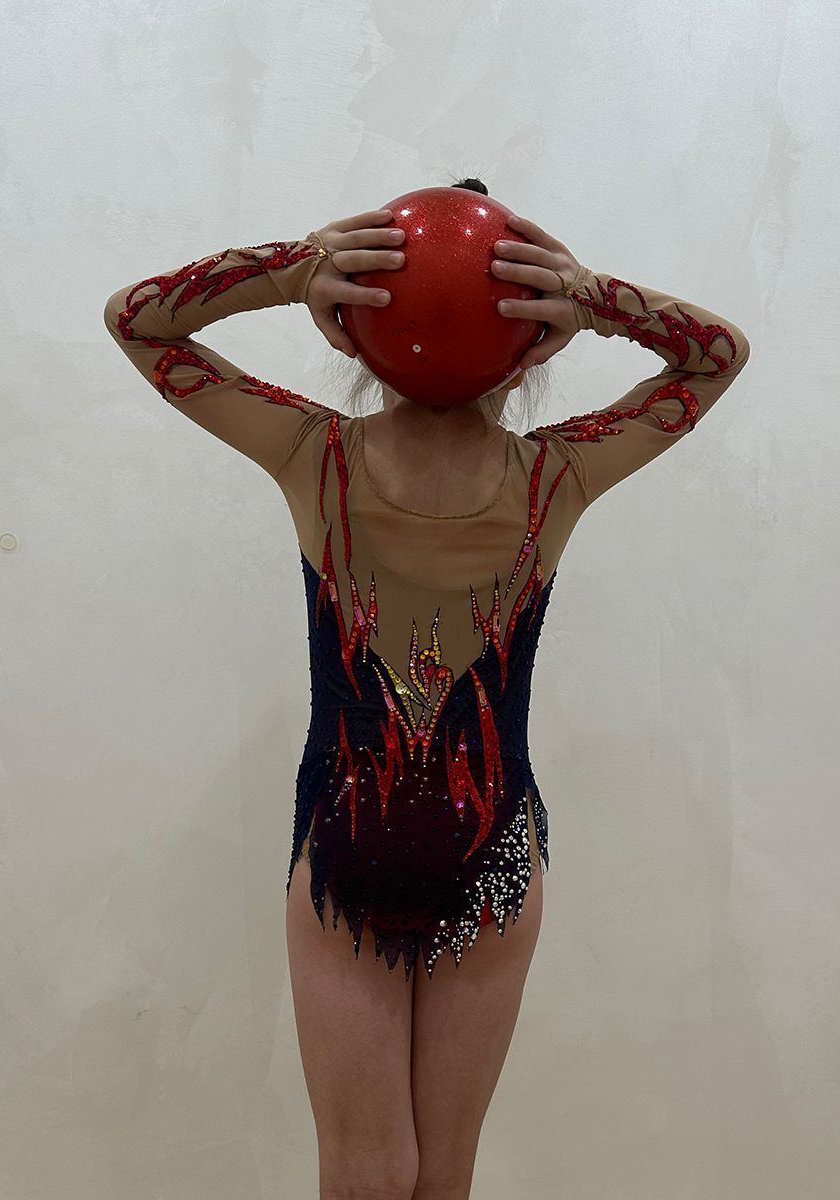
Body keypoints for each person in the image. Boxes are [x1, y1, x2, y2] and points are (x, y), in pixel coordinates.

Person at [103, 177, 752, 1200]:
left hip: (346, 851)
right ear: (529, 347)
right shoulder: (558, 476)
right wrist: (588, 297)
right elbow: (716, 355)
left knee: (366, 1176)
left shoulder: (315, 455)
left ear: (357, 332)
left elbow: (139, 321)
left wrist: (298, 269)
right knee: (440, 1180)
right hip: (491, 856)